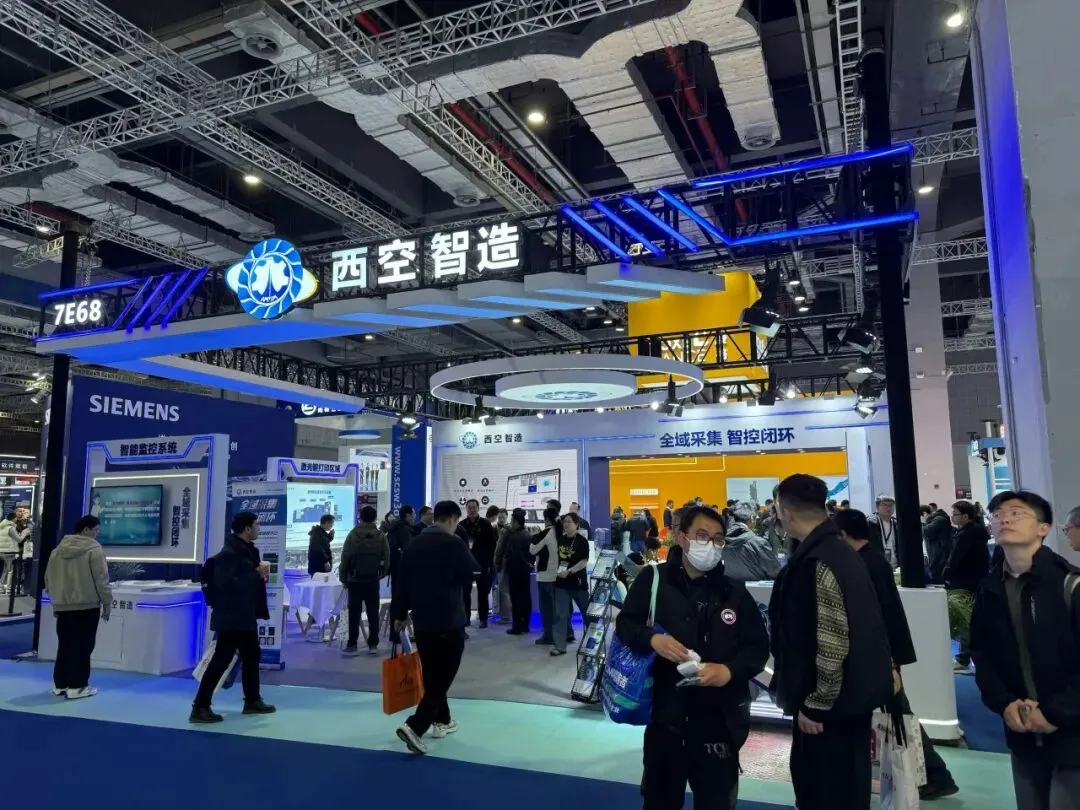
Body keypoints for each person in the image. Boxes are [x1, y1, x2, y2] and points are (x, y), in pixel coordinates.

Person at [616, 505, 769, 810]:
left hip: (718, 722)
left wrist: (728, 671)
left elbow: (757, 649)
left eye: (718, 538)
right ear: (682, 537)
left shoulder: (734, 592)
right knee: (660, 800)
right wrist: (653, 639)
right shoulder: (654, 579)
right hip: (665, 718)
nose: (710, 544)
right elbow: (626, 625)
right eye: (702, 536)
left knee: (716, 801)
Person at [769, 475, 893, 810]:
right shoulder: (839, 551)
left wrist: (816, 703)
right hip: (850, 703)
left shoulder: (818, 562)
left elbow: (832, 642)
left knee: (825, 792)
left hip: (829, 712)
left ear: (783, 511)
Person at [835, 509, 959, 800]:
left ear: (843, 535)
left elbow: (879, 615)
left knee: (898, 716)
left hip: (880, 656)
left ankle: (932, 775)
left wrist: (889, 660)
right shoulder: (873, 560)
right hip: (884, 654)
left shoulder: (865, 564)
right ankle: (928, 775)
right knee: (898, 714)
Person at [970, 491, 1080, 810]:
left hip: (1072, 733)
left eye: (1017, 513)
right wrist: (1004, 703)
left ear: (1043, 528)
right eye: (997, 515)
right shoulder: (990, 588)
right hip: (1021, 732)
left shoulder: (1069, 585)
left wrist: (1055, 712)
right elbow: (982, 653)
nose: (1005, 519)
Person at [391, 501, 479, 755]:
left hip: (423, 621)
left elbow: (402, 583)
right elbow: (472, 572)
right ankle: (415, 726)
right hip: (449, 619)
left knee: (432, 673)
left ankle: (443, 719)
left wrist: (399, 614)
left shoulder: (413, 544)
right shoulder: (454, 544)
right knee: (442, 678)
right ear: (451, 519)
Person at [190, 512, 275, 722]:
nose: (259, 529)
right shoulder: (229, 553)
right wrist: (255, 574)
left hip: (243, 614)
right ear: (247, 529)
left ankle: (252, 700)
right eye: (256, 525)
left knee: (251, 655)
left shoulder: (247, 550)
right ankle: (200, 706)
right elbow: (226, 585)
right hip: (232, 616)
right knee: (221, 659)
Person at [43, 514, 112, 700]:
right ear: (86, 530)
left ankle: (60, 685)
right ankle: (78, 686)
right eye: (96, 530)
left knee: (65, 646)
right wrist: (107, 602)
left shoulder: (57, 551)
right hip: (87, 606)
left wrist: (57, 602)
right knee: (83, 647)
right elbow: (101, 579)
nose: (97, 534)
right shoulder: (94, 550)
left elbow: (48, 579)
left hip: (63, 607)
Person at [946, 500, 991, 674]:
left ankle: (963, 659)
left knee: (966, 622)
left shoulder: (965, 534)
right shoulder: (977, 532)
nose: (952, 517)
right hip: (976, 581)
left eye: (955, 514)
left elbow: (956, 559)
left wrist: (946, 574)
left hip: (964, 582)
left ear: (965, 516)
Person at [340, 505, 390, 656]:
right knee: (373, 612)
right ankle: (373, 644)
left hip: (355, 580)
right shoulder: (380, 536)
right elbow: (386, 558)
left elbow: (345, 557)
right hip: (373, 580)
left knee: (354, 613)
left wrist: (344, 578)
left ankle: (352, 644)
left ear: (360, 517)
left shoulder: (353, 534)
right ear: (374, 518)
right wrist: (380, 574)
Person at [550, 512, 591, 657]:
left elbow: (583, 561)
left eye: (569, 521)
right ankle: (560, 646)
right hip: (561, 584)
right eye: (565, 521)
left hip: (578, 583)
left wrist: (570, 571)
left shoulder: (582, 541)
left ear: (576, 524)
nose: (566, 524)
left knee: (587, 613)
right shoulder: (561, 540)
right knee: (560, 615)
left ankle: (592, 643)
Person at [456, 499, 497, 628]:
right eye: (469, 508)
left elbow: (492, 546)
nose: (472, 510)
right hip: (466, 564)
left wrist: (490, 564)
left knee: (483, 592)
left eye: (474, 507)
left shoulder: (485, 524)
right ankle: (466, 618)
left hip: (482, 564)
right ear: (466, 509)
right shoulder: (461, 525)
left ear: (478, 508)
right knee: (465, 593)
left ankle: (483, 618)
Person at [722, 502, 781, 581]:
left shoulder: (721, 541)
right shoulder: (759, 543)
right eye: (756, 518)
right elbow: (776, 573)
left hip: (732, 588)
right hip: (760, 588)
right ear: (752, 518)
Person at [530, 506, 561, 646]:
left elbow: (533, 550)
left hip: (545, 575)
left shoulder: (546, 533)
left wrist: (534, 535)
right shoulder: (561, 532)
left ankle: (549, 636)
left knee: (546, 608)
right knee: (556, 607)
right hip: (558, 574)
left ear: (546, 519)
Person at [503, 508, 534, 635]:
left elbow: (513, 555)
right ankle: (525, 624)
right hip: (525, 572)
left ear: (515, 521)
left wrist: (506, 566)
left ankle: (517, 626)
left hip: (515, 572)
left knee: (516, 599)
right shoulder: (527, 534)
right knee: (525, 598)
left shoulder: (515, 536)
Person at [387, 505, 415, 600]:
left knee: (395, 587)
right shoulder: (404, 529)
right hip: (402, 564)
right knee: (401, 591)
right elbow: (408, 548)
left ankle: (396, 607)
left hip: (394, 562)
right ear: (408, 515)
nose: (414, 516)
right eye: (413, 514)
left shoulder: (395, 526)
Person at [921, 504, 953, 584]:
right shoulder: (934, 520)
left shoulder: (939, 520)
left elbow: (927, 532)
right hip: (936, 558)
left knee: (938, 582)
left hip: (940, 558)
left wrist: (924, 522)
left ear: (924, 514)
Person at [867, 494, 898, 567]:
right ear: (877, 507)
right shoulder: (870, 523)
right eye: (884, 505)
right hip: (877, 566)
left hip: (896, 566)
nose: (888, 507)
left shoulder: (897, 524)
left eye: (891, 505)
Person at [0, 511, 19, 594]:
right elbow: (18, 539)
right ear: (14, 518)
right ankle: (8, 588)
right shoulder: (11, 527)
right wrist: (24, 534)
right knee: (10, 570)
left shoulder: (1, 525)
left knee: (4, 570)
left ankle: (1, 588)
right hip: (9, 551)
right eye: (16, 517)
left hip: (1, 551)